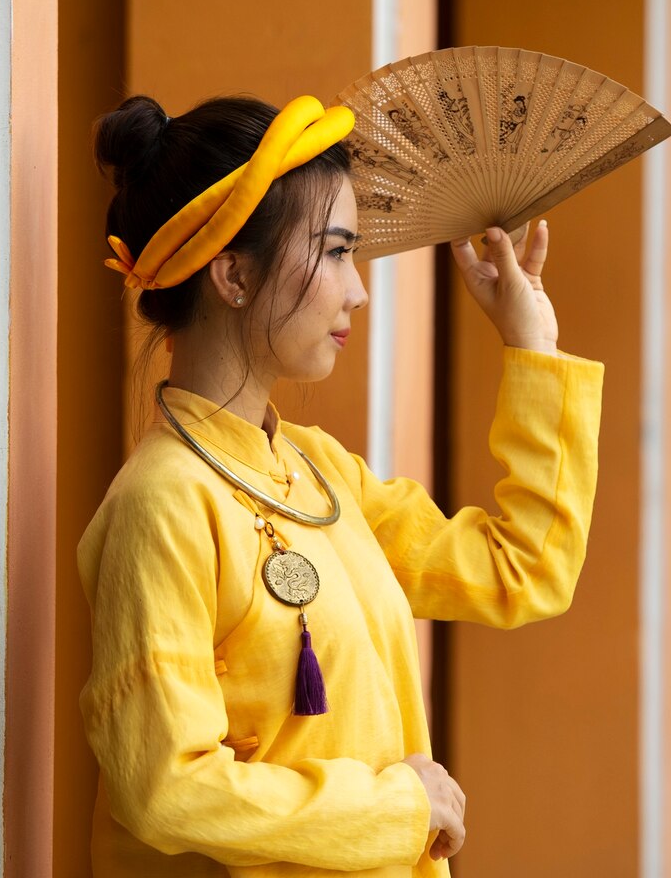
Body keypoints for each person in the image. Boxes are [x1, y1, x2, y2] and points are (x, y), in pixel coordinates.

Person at [78, 92, 605, 877]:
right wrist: (401, 807)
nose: (357, 290)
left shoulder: (319, 471)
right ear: (232, 275)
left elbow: (521, 570)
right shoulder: (162, 504)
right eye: (333, 252)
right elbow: (165, 789)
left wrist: (534, 349)